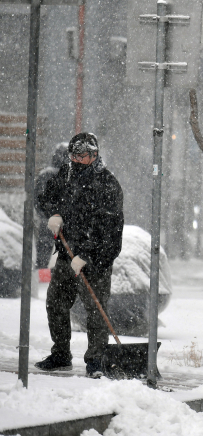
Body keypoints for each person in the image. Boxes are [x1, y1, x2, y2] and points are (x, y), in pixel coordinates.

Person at [35, 132, 124, 377]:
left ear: (94, 155)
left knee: (95, 311)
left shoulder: (107, 184)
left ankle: (96, 360)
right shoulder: (65, 175)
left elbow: (111, 231)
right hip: (66, 255)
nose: (77, 159)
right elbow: (45, 199)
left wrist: (87, 256)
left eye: (83, 155)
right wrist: (53, 214)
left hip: (95, 261)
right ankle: (61, 353)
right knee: (55, 304)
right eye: (74, 154)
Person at [34, 142, 70, 280]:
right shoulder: (68, 176)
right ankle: (61, 279)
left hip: (47, 222)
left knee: (43, 254)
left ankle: (40, 281)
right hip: (63, 223)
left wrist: (44, 215)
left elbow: (36, 200)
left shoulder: (45, 175)